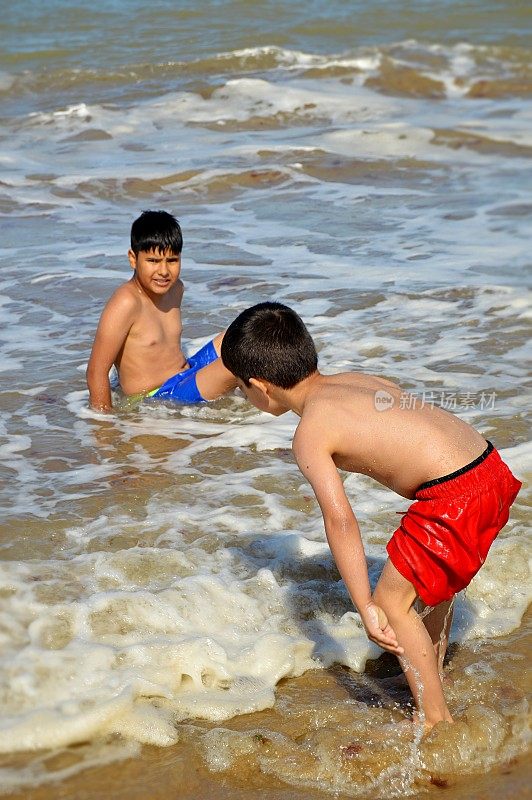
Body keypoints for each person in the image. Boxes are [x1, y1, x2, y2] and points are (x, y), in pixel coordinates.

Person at [220, 301, 521, 729]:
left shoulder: (310, 432)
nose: (241, 393)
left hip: (453, 495)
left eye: (240, 386)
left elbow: (340, 520)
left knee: (390, 603)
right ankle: (428, 673)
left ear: (260, 387)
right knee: (428, 586)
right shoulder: (357, 380)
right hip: (489, 468)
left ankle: (435, 721)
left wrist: (366, 605)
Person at [86, 210, 236, 411]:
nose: (164, 271)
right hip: (159, 395)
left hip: (186, 373)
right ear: (133, 258)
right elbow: (96, 371)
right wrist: (105, 430)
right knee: (236, 365)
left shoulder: (176, 289)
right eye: (153, 261)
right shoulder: (126, 302)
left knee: (243, 333)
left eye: (172, 260)